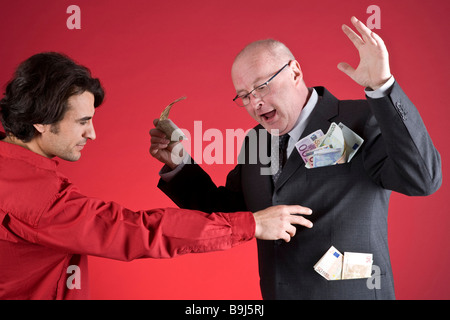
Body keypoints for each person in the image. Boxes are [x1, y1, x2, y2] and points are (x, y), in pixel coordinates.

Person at [150, 17, 442, 299]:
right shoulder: (256, 140)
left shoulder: (362, 120)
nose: (255, 102)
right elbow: (232, 214)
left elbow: (423, 179)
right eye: (244, 96)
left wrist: (382, 87)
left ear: (295, 72)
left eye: (262, 87)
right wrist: (179, 165)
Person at [0, 52, 314, 300]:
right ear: (41, 121)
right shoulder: (35, 197)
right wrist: (253, 223)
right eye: (82, 121)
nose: (92, 134)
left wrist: (180, 164)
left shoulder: (15, 171)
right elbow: (136, 231)